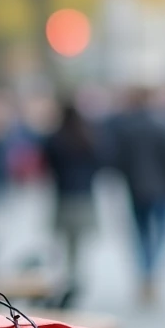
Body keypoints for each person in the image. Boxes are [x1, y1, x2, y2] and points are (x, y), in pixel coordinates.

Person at [111, 88, 165, 302]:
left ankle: (145, 271)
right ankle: (152, 270)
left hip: (136, 188)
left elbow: (118, 161)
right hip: (161, 188)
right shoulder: (162, 127)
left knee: (140, 233)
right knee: (163, 232)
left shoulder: (126, 130)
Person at [40, 101, 103, 308]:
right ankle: (75, 273)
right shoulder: (89, 137)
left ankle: (68, 273)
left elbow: (46, 162)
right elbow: (100, 161)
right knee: (79, 239)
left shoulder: (55, 138)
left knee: (66, 239)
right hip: (84, 194)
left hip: (64, 195)